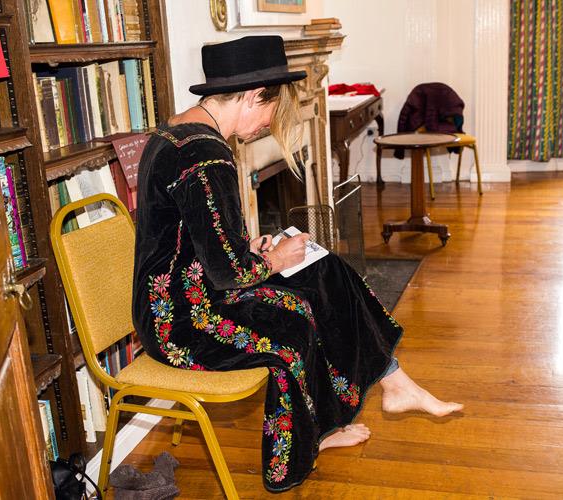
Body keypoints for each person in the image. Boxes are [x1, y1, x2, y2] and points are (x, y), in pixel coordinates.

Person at [132, 35, 462, 493]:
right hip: (180, 322)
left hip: (192, 292)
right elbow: (227, 273)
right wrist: (272, 258)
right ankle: (296, 455)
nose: (270, 123)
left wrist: (252, 247)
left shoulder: (177, 132)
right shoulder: (206, 156)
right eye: (272, 110)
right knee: (294, 327)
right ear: (253, 96)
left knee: (322, 271)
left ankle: (392, 382)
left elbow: (195, 239)